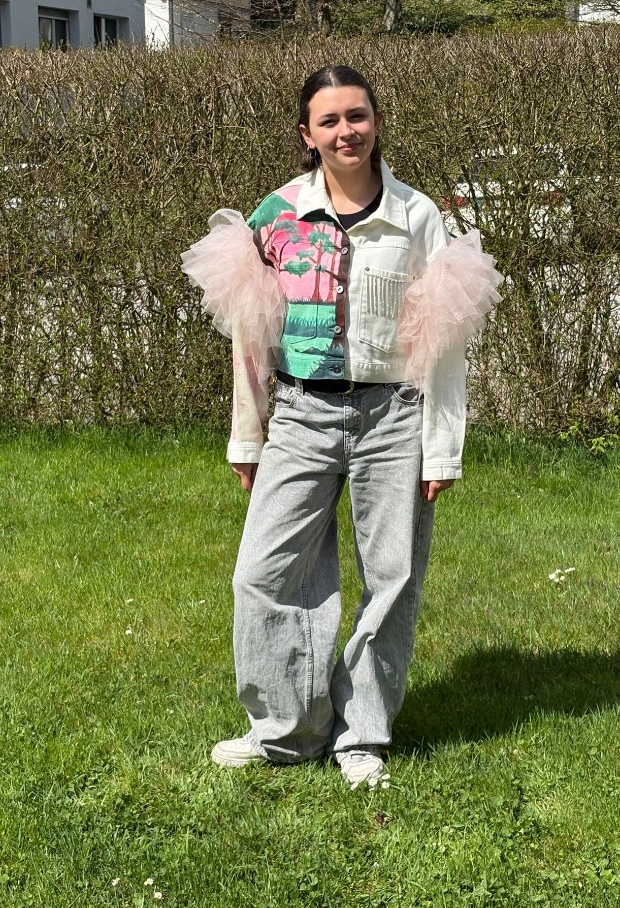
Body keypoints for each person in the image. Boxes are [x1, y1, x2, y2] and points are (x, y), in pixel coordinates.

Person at [181, 65, 502, 789]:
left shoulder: (418, 216)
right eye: (327, 121)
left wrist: (442, 446)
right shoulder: (276, 216)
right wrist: (246, 435)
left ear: (377, 121)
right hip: (299, 413)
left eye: (356, 115)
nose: (344, 131)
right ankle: (287, 730)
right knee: (263, 574)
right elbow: (250, 336)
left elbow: (444, 338)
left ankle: (362, 735)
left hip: (393, 417)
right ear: (306, 134)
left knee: (391, 577)